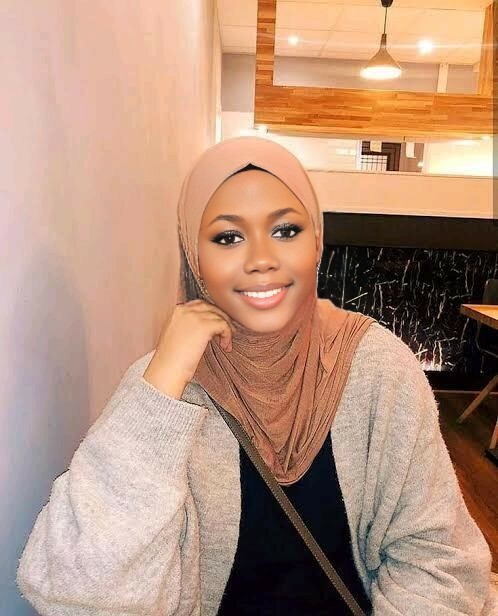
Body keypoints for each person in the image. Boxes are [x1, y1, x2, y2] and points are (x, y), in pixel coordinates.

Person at [17, 137, 497, 615]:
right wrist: (163, 382)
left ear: (317, 241)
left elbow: (437, 559)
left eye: (286, 230)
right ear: (194, 256)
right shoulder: (164, 385)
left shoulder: (376, 367)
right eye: (228, 238)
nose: (261, 259)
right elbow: (75, 591)